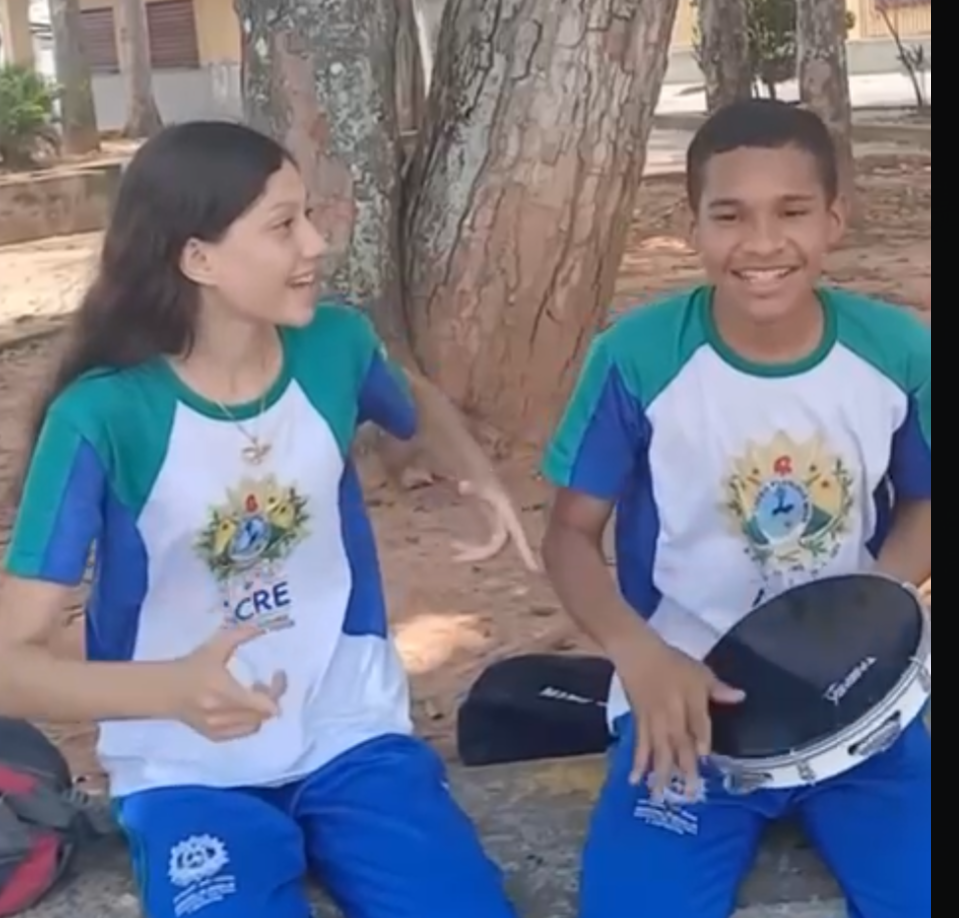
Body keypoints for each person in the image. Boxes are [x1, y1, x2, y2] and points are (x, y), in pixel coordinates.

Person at [0, 121, 518, 918]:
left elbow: (406, 391)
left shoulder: (335, 346)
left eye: (306, 216)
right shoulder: (102, 416)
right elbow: (9, 663)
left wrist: (471, 470)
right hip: (185, 769)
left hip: (351, 734)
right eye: (283, 225)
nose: (315, 243)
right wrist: (169, 690)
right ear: (197, 258)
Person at [541, 99, 932, 918]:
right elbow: (570, 535)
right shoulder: (637, 356)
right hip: (686, 706)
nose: (760, 243)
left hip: (856, 703)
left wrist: (868, 617)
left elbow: (927, 503)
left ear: (833, 220)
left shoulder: (897, 352)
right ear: (692, 227)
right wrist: (639, 657)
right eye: (728, 215)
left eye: (790, 212)